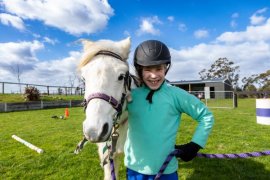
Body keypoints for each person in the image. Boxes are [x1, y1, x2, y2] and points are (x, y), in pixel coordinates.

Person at [124, 40, 214, 180]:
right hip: (135, 169)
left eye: (158, 69)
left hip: (166, 170)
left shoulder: (176, 94)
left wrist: (195, 144)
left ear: (166, 68)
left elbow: (206, 116)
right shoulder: (131, 96)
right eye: (148, 69)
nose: (154, 76)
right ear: (139, 69)